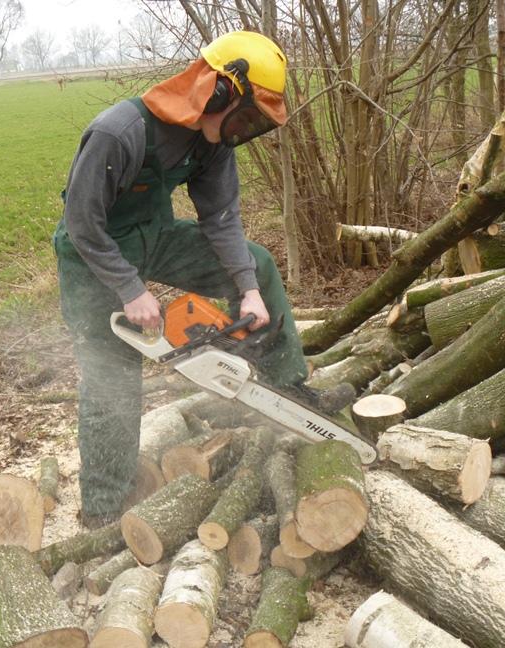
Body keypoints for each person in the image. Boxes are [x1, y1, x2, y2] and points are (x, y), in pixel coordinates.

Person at [54, 31, 352, 528]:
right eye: (248, 116)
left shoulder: (211, 142)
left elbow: (221, 218)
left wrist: (249, 290)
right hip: (92, 255)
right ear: (217, 92)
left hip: (153, 237)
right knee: (112, 379)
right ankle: (103, 509)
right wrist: (131, 289)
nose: (246, 129)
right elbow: (84, 224)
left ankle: (287, 385)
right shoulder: (118, 133)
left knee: (257, 265)